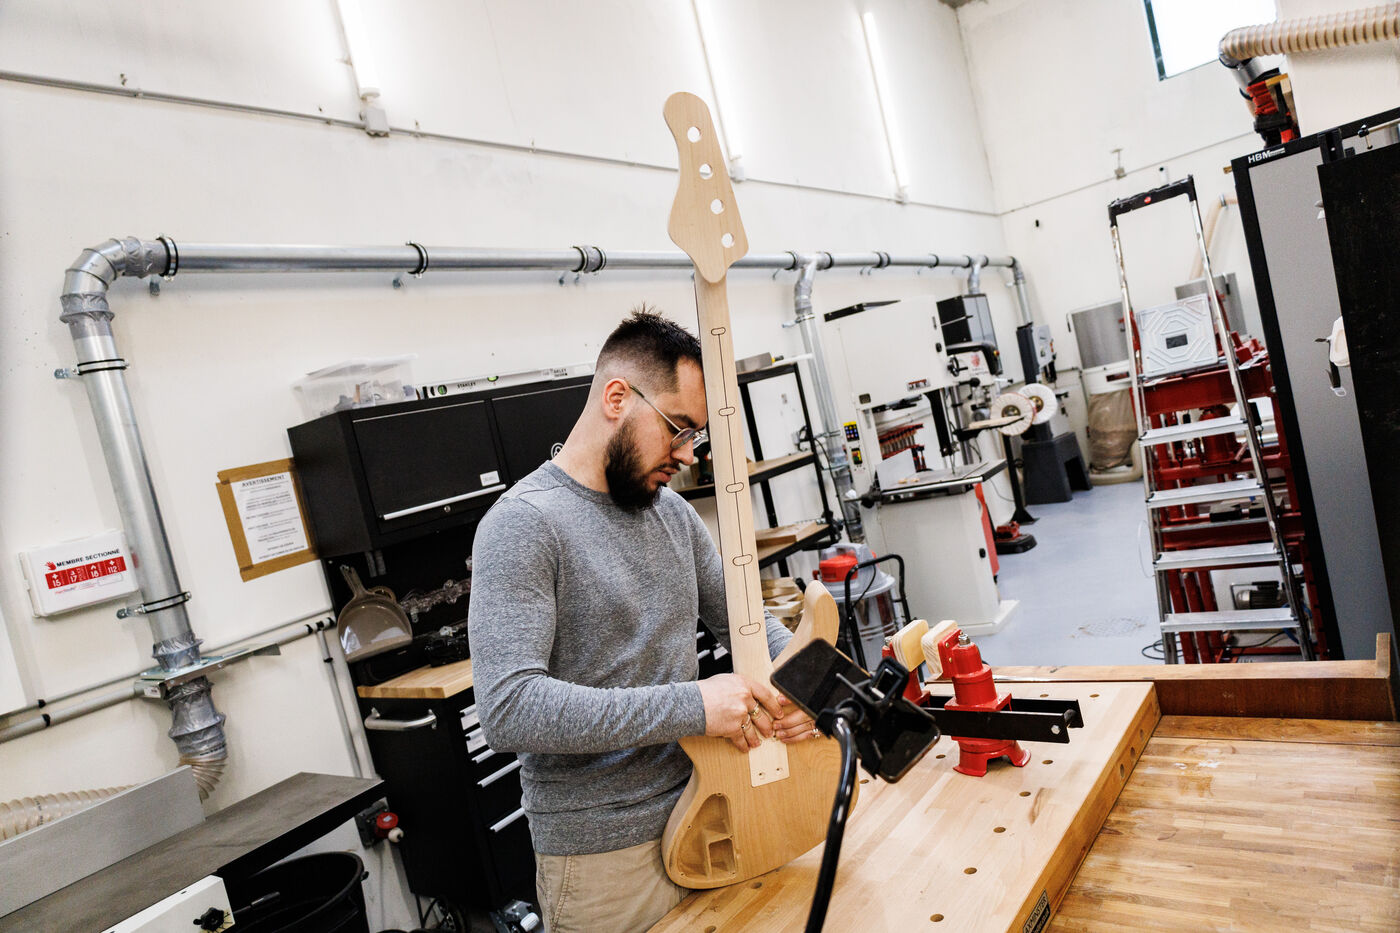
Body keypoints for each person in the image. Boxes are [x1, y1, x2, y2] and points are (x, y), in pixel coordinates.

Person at [468, 308, 817, 933]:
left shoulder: (672, 515)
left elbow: (744, 622)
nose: (686, 454)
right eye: (678, 429)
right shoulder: (524, 524)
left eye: (695, 437)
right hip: (606, 858)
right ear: (617, 398)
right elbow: (509, 709)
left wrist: (804, 685)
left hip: (714, 809)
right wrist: (695, 705)